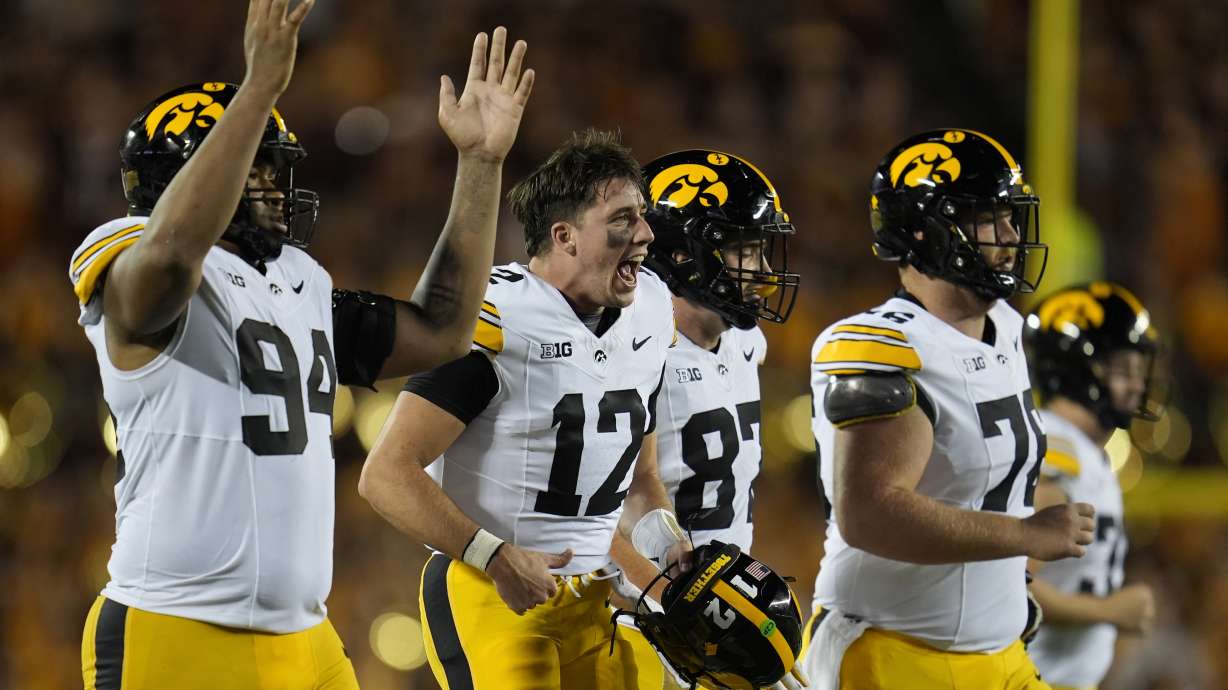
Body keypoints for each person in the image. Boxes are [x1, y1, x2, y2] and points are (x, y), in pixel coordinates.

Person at [70, 0, 536, 685]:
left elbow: (441, 330)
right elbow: (169, 258)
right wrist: (258, 89)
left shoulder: (296, 280)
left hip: (307, 636)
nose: (274, 187)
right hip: (175, 628)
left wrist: (479, 165)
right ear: (190, 176)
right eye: (256, 167)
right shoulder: (129, 255)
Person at [358, 129, 692, 690]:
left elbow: (641, 474)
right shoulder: (497, 318)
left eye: (642, 215)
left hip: (594, 598)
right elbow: (386, 474)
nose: (645, 233)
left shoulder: (652, 308)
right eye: (622, 218)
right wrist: (492, 555)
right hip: (489, 590)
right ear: (564, 236)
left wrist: (665, 547)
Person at [797, 129, 1095, 690]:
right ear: (923, 231)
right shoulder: (880, 344)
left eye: (1009, 216)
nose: (1010, 236)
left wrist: (1009, 584)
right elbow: (871, 512)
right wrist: (1026, 536)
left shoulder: (1006, 327)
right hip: (894, 654)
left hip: (1000, 654)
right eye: (987, 219)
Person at [607, 149, 807, 690]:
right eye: (745, 252)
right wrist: (668, 601)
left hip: (719, 608)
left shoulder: (746, 342)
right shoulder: (628, 349)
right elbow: (588, 510)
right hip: (642, 616)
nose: (764, 272)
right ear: (682, 256)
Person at [1022, 282, 1159, 690]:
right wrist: (1108, 611)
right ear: (1073, 369)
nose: (1137, 385)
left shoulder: (1083, 452)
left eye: (1139, 370)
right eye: (1121, 369)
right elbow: (1009, 587)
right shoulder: (1058, 453)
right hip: (1029, 679)